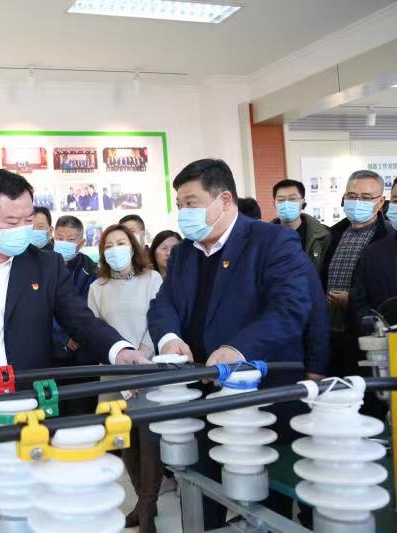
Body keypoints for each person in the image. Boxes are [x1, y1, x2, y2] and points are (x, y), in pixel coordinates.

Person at [0, 169, 150, 533]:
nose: (23, 229)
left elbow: (80, 320)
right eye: (12, 221)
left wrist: (119, 350)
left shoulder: (46, 264)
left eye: (28, 219)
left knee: (30, 507)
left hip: (28, 408)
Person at [147, 159, 311, 530]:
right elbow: (163, 304)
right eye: (180, 204)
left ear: (224, 200)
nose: (183, 212)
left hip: (259, 402)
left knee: (265, 505)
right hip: (199, 400)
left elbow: (290, 308)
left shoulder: (271, 241)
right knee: (201, 498)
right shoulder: (185, 252)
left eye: (191, 202)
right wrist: (170, 337)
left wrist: (238, 350)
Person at [87, 224, 163, 532]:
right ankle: (144, 505)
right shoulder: (97, 287)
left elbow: (158, 321)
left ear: (133, 247)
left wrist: (142, 355)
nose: (115, 249)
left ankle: (146, 511)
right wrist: (119, 361)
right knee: (126, 442)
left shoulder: (151, 279)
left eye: (121, 242)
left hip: (148, 369)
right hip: (113, 375)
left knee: (150, 442)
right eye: (108, 245)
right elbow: (93, 331)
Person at [321, 170, 391, 378]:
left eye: (366, 197)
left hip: (368, 340)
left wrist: (351, 300)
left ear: (380, 202)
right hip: (329, 336)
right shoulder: (331, 235)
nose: (357, 202)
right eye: (352, 196)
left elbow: (387, 292)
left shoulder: (388, 239)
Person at [52, 215, 100, 415]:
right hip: (49, 352)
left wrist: (76, 335)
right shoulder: (42, 264)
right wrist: (62, 337)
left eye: (70, 240)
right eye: (60, 238)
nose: (64, 243)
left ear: (81, 243)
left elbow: (87, 307)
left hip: (82, 355)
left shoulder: (91, 270)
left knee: (81, 410)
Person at [351, 185, 397, 354]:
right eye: (396, 200)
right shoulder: (373, 252)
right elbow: (359, 301)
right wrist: (373, 325)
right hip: (387, 350)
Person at [271, 178, 330, 272]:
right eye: (281, 200)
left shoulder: (322, 235)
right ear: (274, 204)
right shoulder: (264, 236)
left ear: (303, 203)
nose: (286, 204)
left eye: (292, 199)